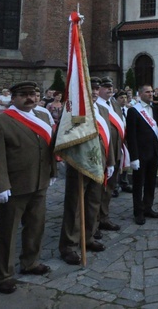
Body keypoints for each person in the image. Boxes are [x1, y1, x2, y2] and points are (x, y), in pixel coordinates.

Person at [0, 81, 55, 294]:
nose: (30, 98)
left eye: (33, 94)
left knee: (36, 226)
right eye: (24, 95)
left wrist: (52, 172)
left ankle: (30, 262)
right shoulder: (0, 122)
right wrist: (0, 186)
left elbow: (48, 148)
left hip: (39, 183)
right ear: (13, 97)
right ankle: (2, 274)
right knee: (8, 231)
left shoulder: (42, 117)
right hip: (14, 187)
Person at [59, 77, 112, 264]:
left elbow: (108, 138)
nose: (96, 92)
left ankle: (88, 237)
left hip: (99, 162)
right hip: (79, 162)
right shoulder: (74, 109)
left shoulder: (103, 110)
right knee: (75, 206)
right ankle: (70, 245)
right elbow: (66, 134)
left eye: (98, 89)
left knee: (93, 202)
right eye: (92, 88)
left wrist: (110, 162)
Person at [126, 85, 158, 225]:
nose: (150, 94)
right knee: (138, 184)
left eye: (151, 92)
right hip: (140, 155)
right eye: (147, 92)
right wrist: (134, 157)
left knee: (151, 182)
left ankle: (148, 207)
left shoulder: (154, 110)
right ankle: (138, 212)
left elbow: (157, 133)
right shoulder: (133, 111)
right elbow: (131, 136)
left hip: (153, 152)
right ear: (140, 93)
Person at [96, 77, 124, 226]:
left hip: (116, 151)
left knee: (110, 187)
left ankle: (104, 216)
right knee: (99, 188)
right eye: (105, 86)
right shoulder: (95, 106)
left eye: (111, 86)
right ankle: (95, 220)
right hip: (103, 152)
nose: (109, 89)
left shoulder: (114, 104)